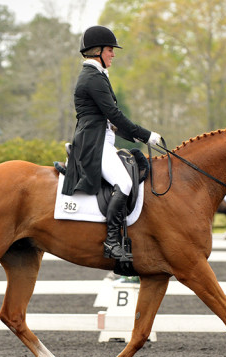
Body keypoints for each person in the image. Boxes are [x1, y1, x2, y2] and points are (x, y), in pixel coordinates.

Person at [62, 25, 162, 262]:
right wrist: (146, 135)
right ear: (97, 52)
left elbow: (110, 121)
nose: (113, 54)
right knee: (124, 183)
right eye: (110, 50)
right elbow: (114, 114)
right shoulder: (92, 78)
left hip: (100, 138)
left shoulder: (96, 75)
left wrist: (133, 136)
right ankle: (112, 242)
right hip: (93, 143)